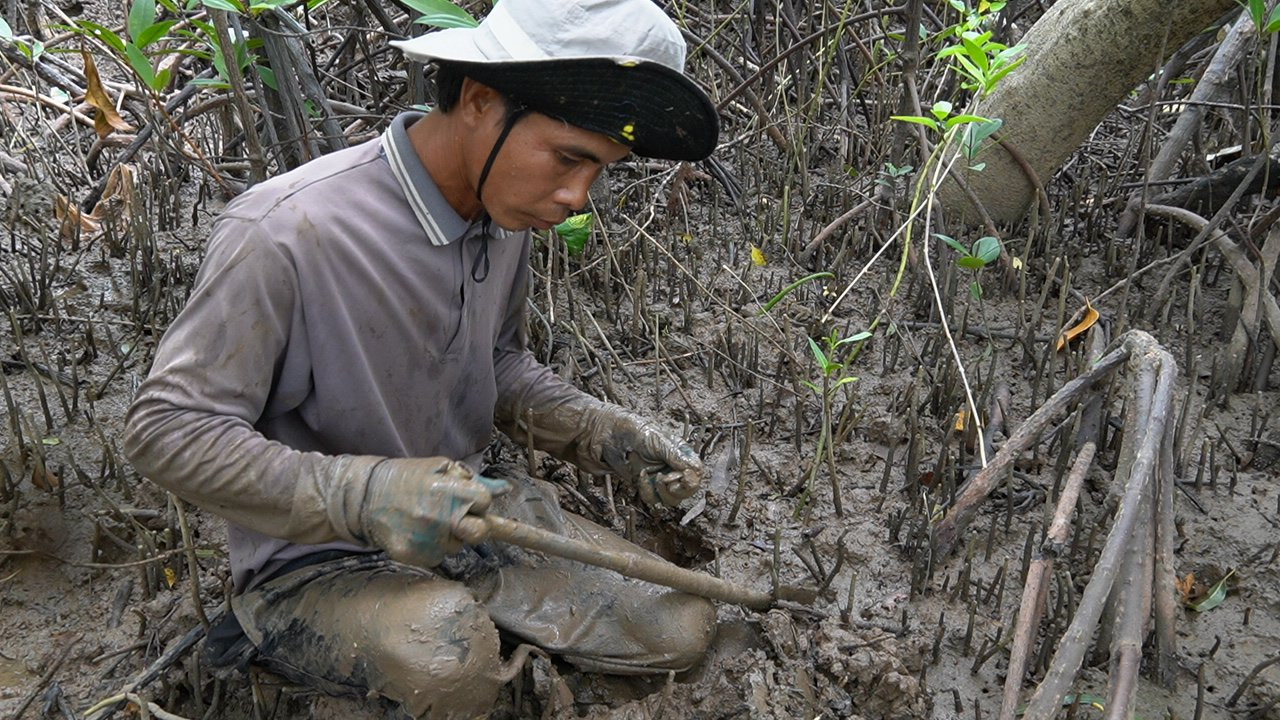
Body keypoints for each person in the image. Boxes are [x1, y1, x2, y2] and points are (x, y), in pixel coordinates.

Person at [122, 0, 721, 717]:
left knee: (678, 626)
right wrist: (366, 495)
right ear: (479, 100)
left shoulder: (505, 211)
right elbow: (167, 430)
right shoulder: (285, 230)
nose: (576, 198)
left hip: (476, 517)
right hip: (313, 560)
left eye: (602, 171)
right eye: (569, 159)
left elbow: (494, 364)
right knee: (445, 656)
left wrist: (600, 432)